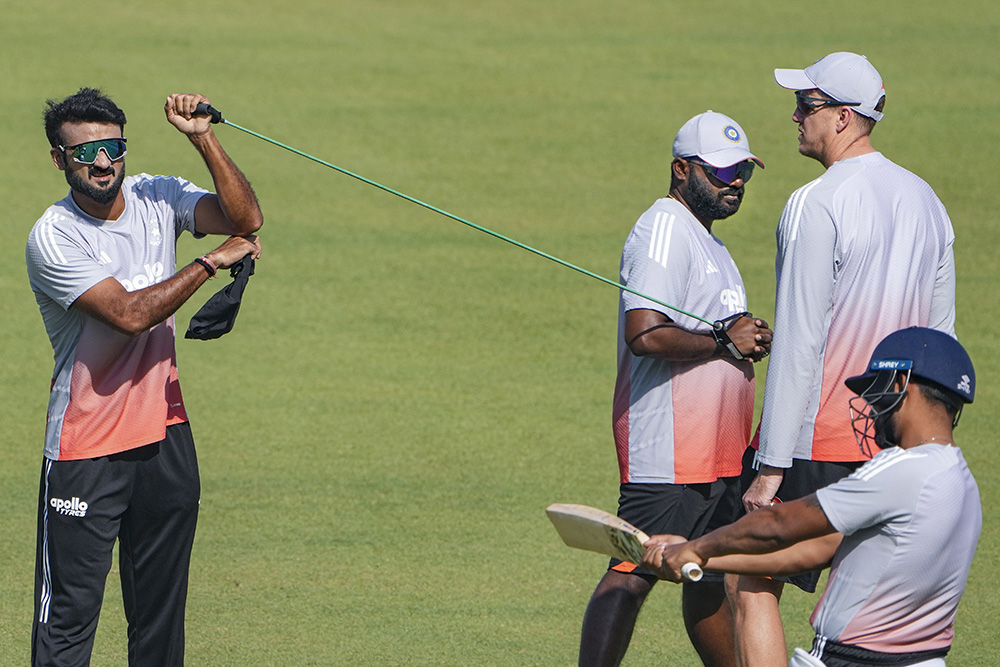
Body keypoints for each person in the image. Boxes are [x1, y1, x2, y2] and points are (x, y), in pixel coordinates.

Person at [26, 88, 263, 666]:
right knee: (67, 625)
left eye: (112, 148)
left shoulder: (158, 195)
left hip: (165, 437)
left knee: (160, 621)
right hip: (86, 450)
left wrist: (203, 137)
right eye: (85, 153)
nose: (102, 163)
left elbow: (245, 219)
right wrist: (210, 262)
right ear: (60, 160)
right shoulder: (54, 236)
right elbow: (130, 315)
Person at [735, 53, 958, 667]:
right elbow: (941, 342)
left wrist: (771, 467)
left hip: (821, 441)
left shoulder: (815, 202)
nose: (794, 116)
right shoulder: (928, 202)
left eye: (806, 106)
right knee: (863, 595)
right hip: (901, 445)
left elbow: (803, 341)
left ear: (842, 118)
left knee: (750, 580)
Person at [642, 327, 980, 667]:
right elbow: (812, 551)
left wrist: (696, 546)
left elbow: (778, 523)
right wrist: (696, 559)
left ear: (899, 384)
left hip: (852, 660)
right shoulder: (961, 482)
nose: (872, 409)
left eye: (876, 393)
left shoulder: (899, 470)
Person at [578, 111, 772, 667]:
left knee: (708, 575)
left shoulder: (709, 243)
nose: (734, 183)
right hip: (670, 447)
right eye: (721, 173)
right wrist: (723, 340)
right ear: (681, 169)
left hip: (717, 452)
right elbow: (644, 334)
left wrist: (745, 340)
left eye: (743, 173)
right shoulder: (664, 226)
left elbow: (716, 335)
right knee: (634, 571)